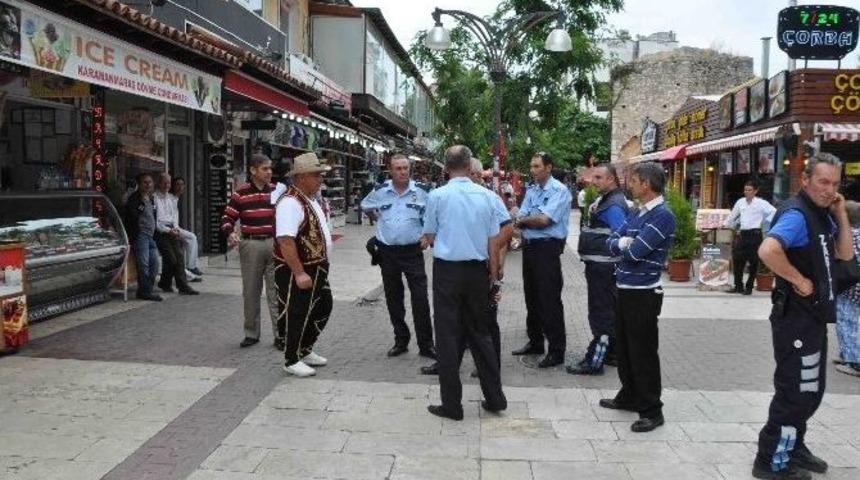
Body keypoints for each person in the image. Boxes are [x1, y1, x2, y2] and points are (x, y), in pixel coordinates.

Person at [752, 154, 853, 480]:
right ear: (805, 179)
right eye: (823, 182)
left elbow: (846, 255)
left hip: (812, 318)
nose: (829, 190)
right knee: (795, 391)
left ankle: (794, 446)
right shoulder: (797, 214)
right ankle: (770, 461)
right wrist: (798, 280)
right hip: (795, 318)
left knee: (811, 389)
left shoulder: (823, 213)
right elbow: (768, 250)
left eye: (835, 184)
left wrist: (840, 211)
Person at [422, 145, 506, 420]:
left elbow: (430, 236)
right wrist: (494, 277)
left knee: (447, 336)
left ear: (446, 168)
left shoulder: (437, 196)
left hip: (447, 271)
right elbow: (494, 241)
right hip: (477, 272)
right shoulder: (488, 197)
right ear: (471, 167)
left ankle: (452, 405)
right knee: (481, 334)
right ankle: (495, 397)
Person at [600, 161, 675, 433]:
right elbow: (611, 243)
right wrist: (624, 243)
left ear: (646, 184)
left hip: (644, 293)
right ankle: (630, 395)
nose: (628, 185)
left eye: (633, 181)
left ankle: (652, 410)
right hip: (625, 288)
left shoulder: (662, 215)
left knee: (643, 352)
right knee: (626, 350)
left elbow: (634, 253)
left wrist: (624, 246)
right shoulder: (637, 212)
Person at [360, 154, 436, 361]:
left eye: (405, 168)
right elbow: (365, 206)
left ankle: (426, 344)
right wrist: (375, 218)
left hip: (413, 252)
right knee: (394, 299)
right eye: (398, 168)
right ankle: (400, 340)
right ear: (390, 171)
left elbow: (434, 214)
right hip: (388, 252)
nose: (402, 172)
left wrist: (429, 236)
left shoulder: (422, 191)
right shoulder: (380, 191)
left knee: (420, 298)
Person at [273, 153, 334, 378]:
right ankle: (291, 358)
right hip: (299, 269)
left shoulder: (308, 198)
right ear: (301, 178)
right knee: (296, 312)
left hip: (316, 267)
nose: (321, 179)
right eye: (316, 175)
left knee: (321, 307)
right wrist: (299, 272)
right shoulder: (290, 202)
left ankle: (304, 349)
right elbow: (286, 241)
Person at [511, 152, 572, 368]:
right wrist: (527, 220)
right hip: (530, 249)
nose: (532, 170)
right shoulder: (532, 189)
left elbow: (544, 220)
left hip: (548, 249)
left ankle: (556, 351)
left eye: (537, 166)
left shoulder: (559, 191)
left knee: (549, 300)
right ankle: (535, 341)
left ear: (548, 167)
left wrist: (524, 220)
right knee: (532, 298)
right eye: (531, 166)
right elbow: (524, 216)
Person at [568, 164, 629, 376]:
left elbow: (621, 235)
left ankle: (595, 361)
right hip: (600, 266)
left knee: (601, 314)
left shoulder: (614, 206)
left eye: (599, 177)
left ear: (611, 179)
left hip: (604, 268)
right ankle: (613, 353)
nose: (594, 181)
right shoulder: (607, 201)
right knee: (606, 311)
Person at [221, 153, 280, 349]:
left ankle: (281, 334)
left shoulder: (277, 191)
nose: (269, 172)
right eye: (265, 169)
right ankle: (251, 333)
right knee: (251, 291)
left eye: (270, 168)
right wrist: (230, 233)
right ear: (253, 171)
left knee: (277, 291)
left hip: (274, 244)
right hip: (251, 245)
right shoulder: (241, 193)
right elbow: (227, 218)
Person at [724, 180, 777, 295]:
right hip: (743, 234)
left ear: (755, 191)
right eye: (745, 190)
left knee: (753, 263)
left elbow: (774, 212)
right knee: (737, 260)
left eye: (749, 190)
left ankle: (749, 287)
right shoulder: (740, 202)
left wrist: (765, 222)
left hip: (755, 235)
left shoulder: (761, 203)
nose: (746, 192)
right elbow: (732, 216)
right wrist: (725, 225)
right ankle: (738, 286)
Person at [153, 173, 199, 295]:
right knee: (171, 259)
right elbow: (156, 221)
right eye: (164, 182)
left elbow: (173, 217)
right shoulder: (154, 198)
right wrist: (169, 230)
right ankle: (165, 282)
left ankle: (181, 286)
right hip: (160, 232)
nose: (167, 185)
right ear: (158, 183)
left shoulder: (171, 198)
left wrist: (176, 229)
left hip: (172, 230)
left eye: (168, 183)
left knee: (179, 258)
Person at [125, 172, 162, 301]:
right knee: (144, 264)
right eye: (145, 182)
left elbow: (153, 216)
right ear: (139, 184)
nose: (148, 185)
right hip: (140, 235)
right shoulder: (134, 198)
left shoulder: (152, 198)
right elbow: (133, 214)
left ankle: (147, 289)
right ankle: (145, 291)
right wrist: (142, 202)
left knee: (155, 264)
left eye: (150, 182)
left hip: (150, 236)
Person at [835, 201, 860, 377]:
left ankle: (854, 361)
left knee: (846, 321)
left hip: (849, 285)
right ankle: (846, 354)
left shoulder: (844, 236)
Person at [171, 176, 204, 279]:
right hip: (170, 228)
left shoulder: (176, 198)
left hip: (176, 228)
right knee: (191, 237)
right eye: (177, 184)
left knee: (192, 238)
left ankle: (191, 266)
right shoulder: (170, 198)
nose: (180, 187)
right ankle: (190, 267)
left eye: (182, 185)